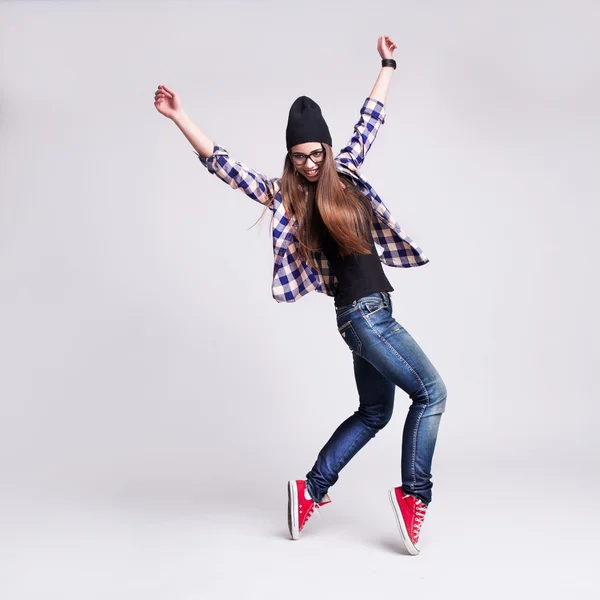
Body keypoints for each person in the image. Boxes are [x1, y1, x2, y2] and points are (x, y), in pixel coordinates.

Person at [154, 34, 447, 556]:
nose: (310, 164)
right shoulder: (285, 195)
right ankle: (414, 496)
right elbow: (224, 165)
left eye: (316, 153)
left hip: (377, 312)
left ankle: (310, 491)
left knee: (374, 413)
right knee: (431, 393)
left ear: (327, 149)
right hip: (362, 317)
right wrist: (180, 118)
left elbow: (370, 116)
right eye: (299, 157)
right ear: (289, 159)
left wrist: (388, 63)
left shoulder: (348, 173)